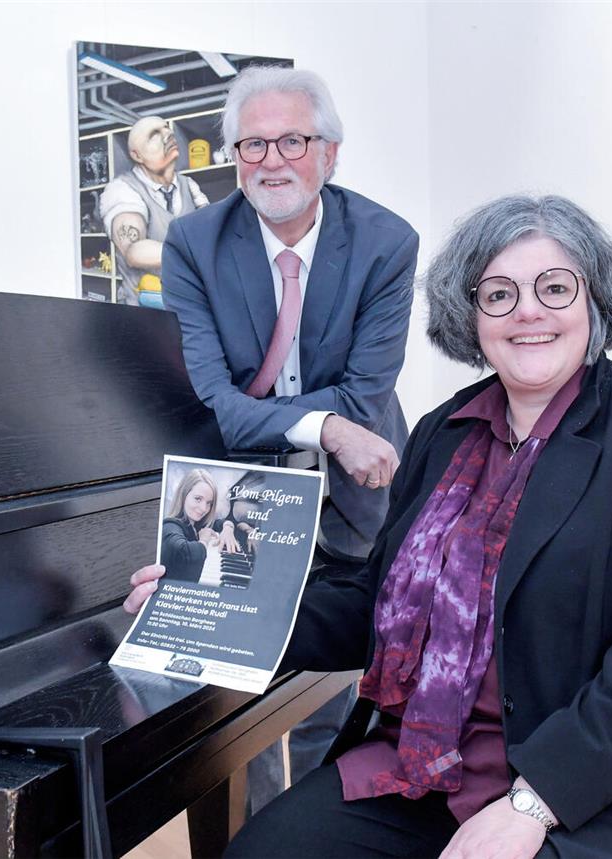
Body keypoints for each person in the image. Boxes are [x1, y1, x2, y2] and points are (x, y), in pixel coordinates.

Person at [127, 194, 612, 857]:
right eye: (499, 294)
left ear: (596, 299)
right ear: (471, 316)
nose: (528, 311)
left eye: (555, 288)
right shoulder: (444, 432)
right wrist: (214, 608)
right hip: (433, 767)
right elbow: (374, 602)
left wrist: (534, 803)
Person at [153, 65, 420, 813]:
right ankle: (249, 838)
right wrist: (326, 425)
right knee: (231, 696)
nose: (271, 161)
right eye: (253, 144)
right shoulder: (194, 243)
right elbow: (214, 403)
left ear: (329, 153)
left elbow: (365, 397)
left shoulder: (386, 242)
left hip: (354, 498)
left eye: (292, 141)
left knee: (328, 696)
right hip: (234, 491)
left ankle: (315, 829)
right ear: (235, 156)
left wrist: (318, 419)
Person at [98, 115, 210, 306]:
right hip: (144, 311)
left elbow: (210, 234)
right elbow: (134, 251)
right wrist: (193, 254)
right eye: (154, 135)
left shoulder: (188, 185)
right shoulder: (121, 189)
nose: (168, 134)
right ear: (137, 155)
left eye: (166, 128)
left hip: (189, 306)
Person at [159, 468, 220, 582]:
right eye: (198, 499)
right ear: (184, 495)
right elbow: (185, 552)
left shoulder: (195, 524)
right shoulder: (170, 526)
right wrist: (204, 540)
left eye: (209, 503)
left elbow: (218, 523)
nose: (204, 509)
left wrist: (228, 527)